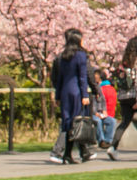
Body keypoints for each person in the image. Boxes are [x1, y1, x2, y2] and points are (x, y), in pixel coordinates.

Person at [49, 28, 92, 165]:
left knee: (68, 123)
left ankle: (68, 154)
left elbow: (60, 78)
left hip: (65, 92)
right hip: (76, 92)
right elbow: (82, 77)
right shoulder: (80, 56)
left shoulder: (63, 56)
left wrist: (57, 96)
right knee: (76, 123)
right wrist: (85, 94)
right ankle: (73, 153)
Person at [109, 36, 137, 160]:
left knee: (124, 122)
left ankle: (113, 147)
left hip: (123, 96)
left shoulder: (124, 61)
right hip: (136, 95)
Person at [90, 70, 117, 149]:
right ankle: (101, 140)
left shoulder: (100, 88)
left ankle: (108, 141)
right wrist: (95, 113)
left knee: (112, 121)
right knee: (97, 121)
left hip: (101, 112)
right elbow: (91, 104)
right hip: (93, 113)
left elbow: (103, 101)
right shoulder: (91, 88)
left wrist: (104, 111)